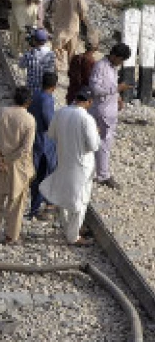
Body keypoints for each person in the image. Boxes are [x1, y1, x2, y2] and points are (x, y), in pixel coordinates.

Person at [40, 89, 101, 246]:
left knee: (65, 195)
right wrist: (97, 133)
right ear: (88, 102)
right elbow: (93, 145)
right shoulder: (87, 119)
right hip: (82, 165)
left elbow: (51, 134)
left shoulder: (61, 112)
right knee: (80, 200)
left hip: (64, 159)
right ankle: (73, 236)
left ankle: (69, 229)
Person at [0, 86, 36, 245]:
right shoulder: (29, 120)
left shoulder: (0, 113)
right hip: (17, 166)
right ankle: (11, 235)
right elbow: (26, 149)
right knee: (16, 202)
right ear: (28, 102)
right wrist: (8, 160)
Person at [89, 43, 132, 189]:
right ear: (115, 56)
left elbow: (111, 86)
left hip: (110, 109)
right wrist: (117, 88)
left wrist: (118, 97)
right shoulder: (100, 67)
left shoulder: (113, 68)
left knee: (105, 143)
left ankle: (100, 172)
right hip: (102, 110)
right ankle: (103, 175)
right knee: (103, 143)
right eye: (121, 60)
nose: (121, 63)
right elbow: (95, 89)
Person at [28, 72, 58, 220]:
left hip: (35, 139)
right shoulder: (47, 99)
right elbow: (49, 121)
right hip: (45, 142)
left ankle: (37, 204)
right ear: (54, 86)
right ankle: (39, 206)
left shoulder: (35, 95)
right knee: (44, 174)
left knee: (37, 175)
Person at [52, 0, 89, 72]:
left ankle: (57, 68)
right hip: (73, 26)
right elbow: (84, 10)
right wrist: (80, 18)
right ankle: (70, 70)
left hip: (60, 25)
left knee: (57, 48)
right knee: (71, 50)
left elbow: (53, 7)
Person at [19, 28, 56, 95]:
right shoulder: (52, 54)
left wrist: (26, 50)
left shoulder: (29, 54)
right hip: (45, 89)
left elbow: (21, 65)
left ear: (34, 41)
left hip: (31, 89)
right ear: (46, 41)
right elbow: (52, 69)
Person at [66, 33, 100, 104]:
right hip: (83, 97)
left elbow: (69, 74)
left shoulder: (76, 57)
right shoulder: (91, 61)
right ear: (96, 47)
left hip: (72, 94)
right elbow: (90, 81)